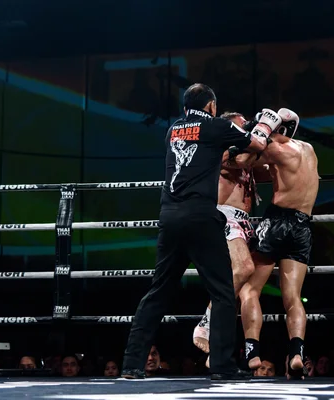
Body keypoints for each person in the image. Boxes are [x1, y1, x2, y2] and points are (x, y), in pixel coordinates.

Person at [121, 83, 282, 381]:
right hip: (201, 216)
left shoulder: (173, 130)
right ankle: (221, 365)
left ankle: (131, 364)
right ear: (211, 106)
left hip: (169, 216)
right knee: (222, 293)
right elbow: (257, 146)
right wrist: (265, 123)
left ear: (185, 108)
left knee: (158, 292)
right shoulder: (215, 125)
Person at [228, 108, 319, 378]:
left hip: (277, 222)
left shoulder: (274, 150)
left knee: (249, 290)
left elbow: (241, 160)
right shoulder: (309, 150)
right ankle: (297, 353)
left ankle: (252, 352)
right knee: (292, 298)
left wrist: (256, 133)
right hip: (303, 225)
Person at [192, 111, 259, 358]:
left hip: (243, 223)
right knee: (244, 269)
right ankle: (205, 324)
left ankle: (218, 355)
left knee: (237, 289)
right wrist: (261, 131)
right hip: (224, 217)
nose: (244, 131)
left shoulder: (246, 155)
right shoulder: (220, 153)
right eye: (240, 127)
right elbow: (241, 159)